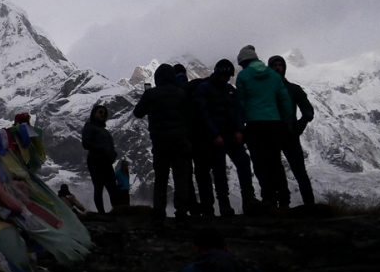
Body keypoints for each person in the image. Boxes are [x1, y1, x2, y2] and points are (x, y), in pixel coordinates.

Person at [192, 59, 259, 216]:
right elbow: (203, 113)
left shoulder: (229, 89)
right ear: (217, 73)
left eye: (228, 76)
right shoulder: (205, 89)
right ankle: (224, 205)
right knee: (219, 170)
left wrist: (239, 130)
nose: (226, 78)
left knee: (243, 162)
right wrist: (214, 134)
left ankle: (248, 200)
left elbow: (238, 111)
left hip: (230, 135)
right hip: (215, 137)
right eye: (224, 75)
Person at [235, 45, 293, 210]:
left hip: (254, 125)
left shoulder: (243, 76)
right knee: (275, 162)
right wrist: (286, 121)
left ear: (243, 62)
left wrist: (241, 125)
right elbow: (284, 100)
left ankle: (268, 199)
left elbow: (240, 102)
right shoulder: (274, 76)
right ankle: (284, 199)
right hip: (274, 124)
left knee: (260, 163)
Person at [133, 64, 192, 219]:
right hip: (180, 141)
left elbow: (138, 112)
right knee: (181, 178)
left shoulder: (151, 94)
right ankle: (182, 213)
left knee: (161, 178)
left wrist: (147, 97)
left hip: (160, 142)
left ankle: (159, 213)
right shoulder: (182, 93)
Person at [267, 55, 316, 208]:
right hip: (273, 134)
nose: (277, 67)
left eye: (280, 65)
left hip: (289, 134)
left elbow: (308, 111)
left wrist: (299, 126)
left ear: (284, 67)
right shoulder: (268, 90)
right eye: (274, 65)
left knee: (299, 171)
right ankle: (283, 204)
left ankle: (309, 205)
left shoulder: (293, 89)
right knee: (275, 171)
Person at [81, 103, 120, 214]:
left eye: (105, 113)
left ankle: (116, 211)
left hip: (106, 162)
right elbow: (86, 143)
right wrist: (102, 149)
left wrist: (112, 154)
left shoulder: (105, 131)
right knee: (99, 187)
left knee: (113, 188)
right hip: (95, 160)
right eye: (100, 112)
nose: (103, 114)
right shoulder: (89, 126)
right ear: (94, 114)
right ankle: (102, 213)